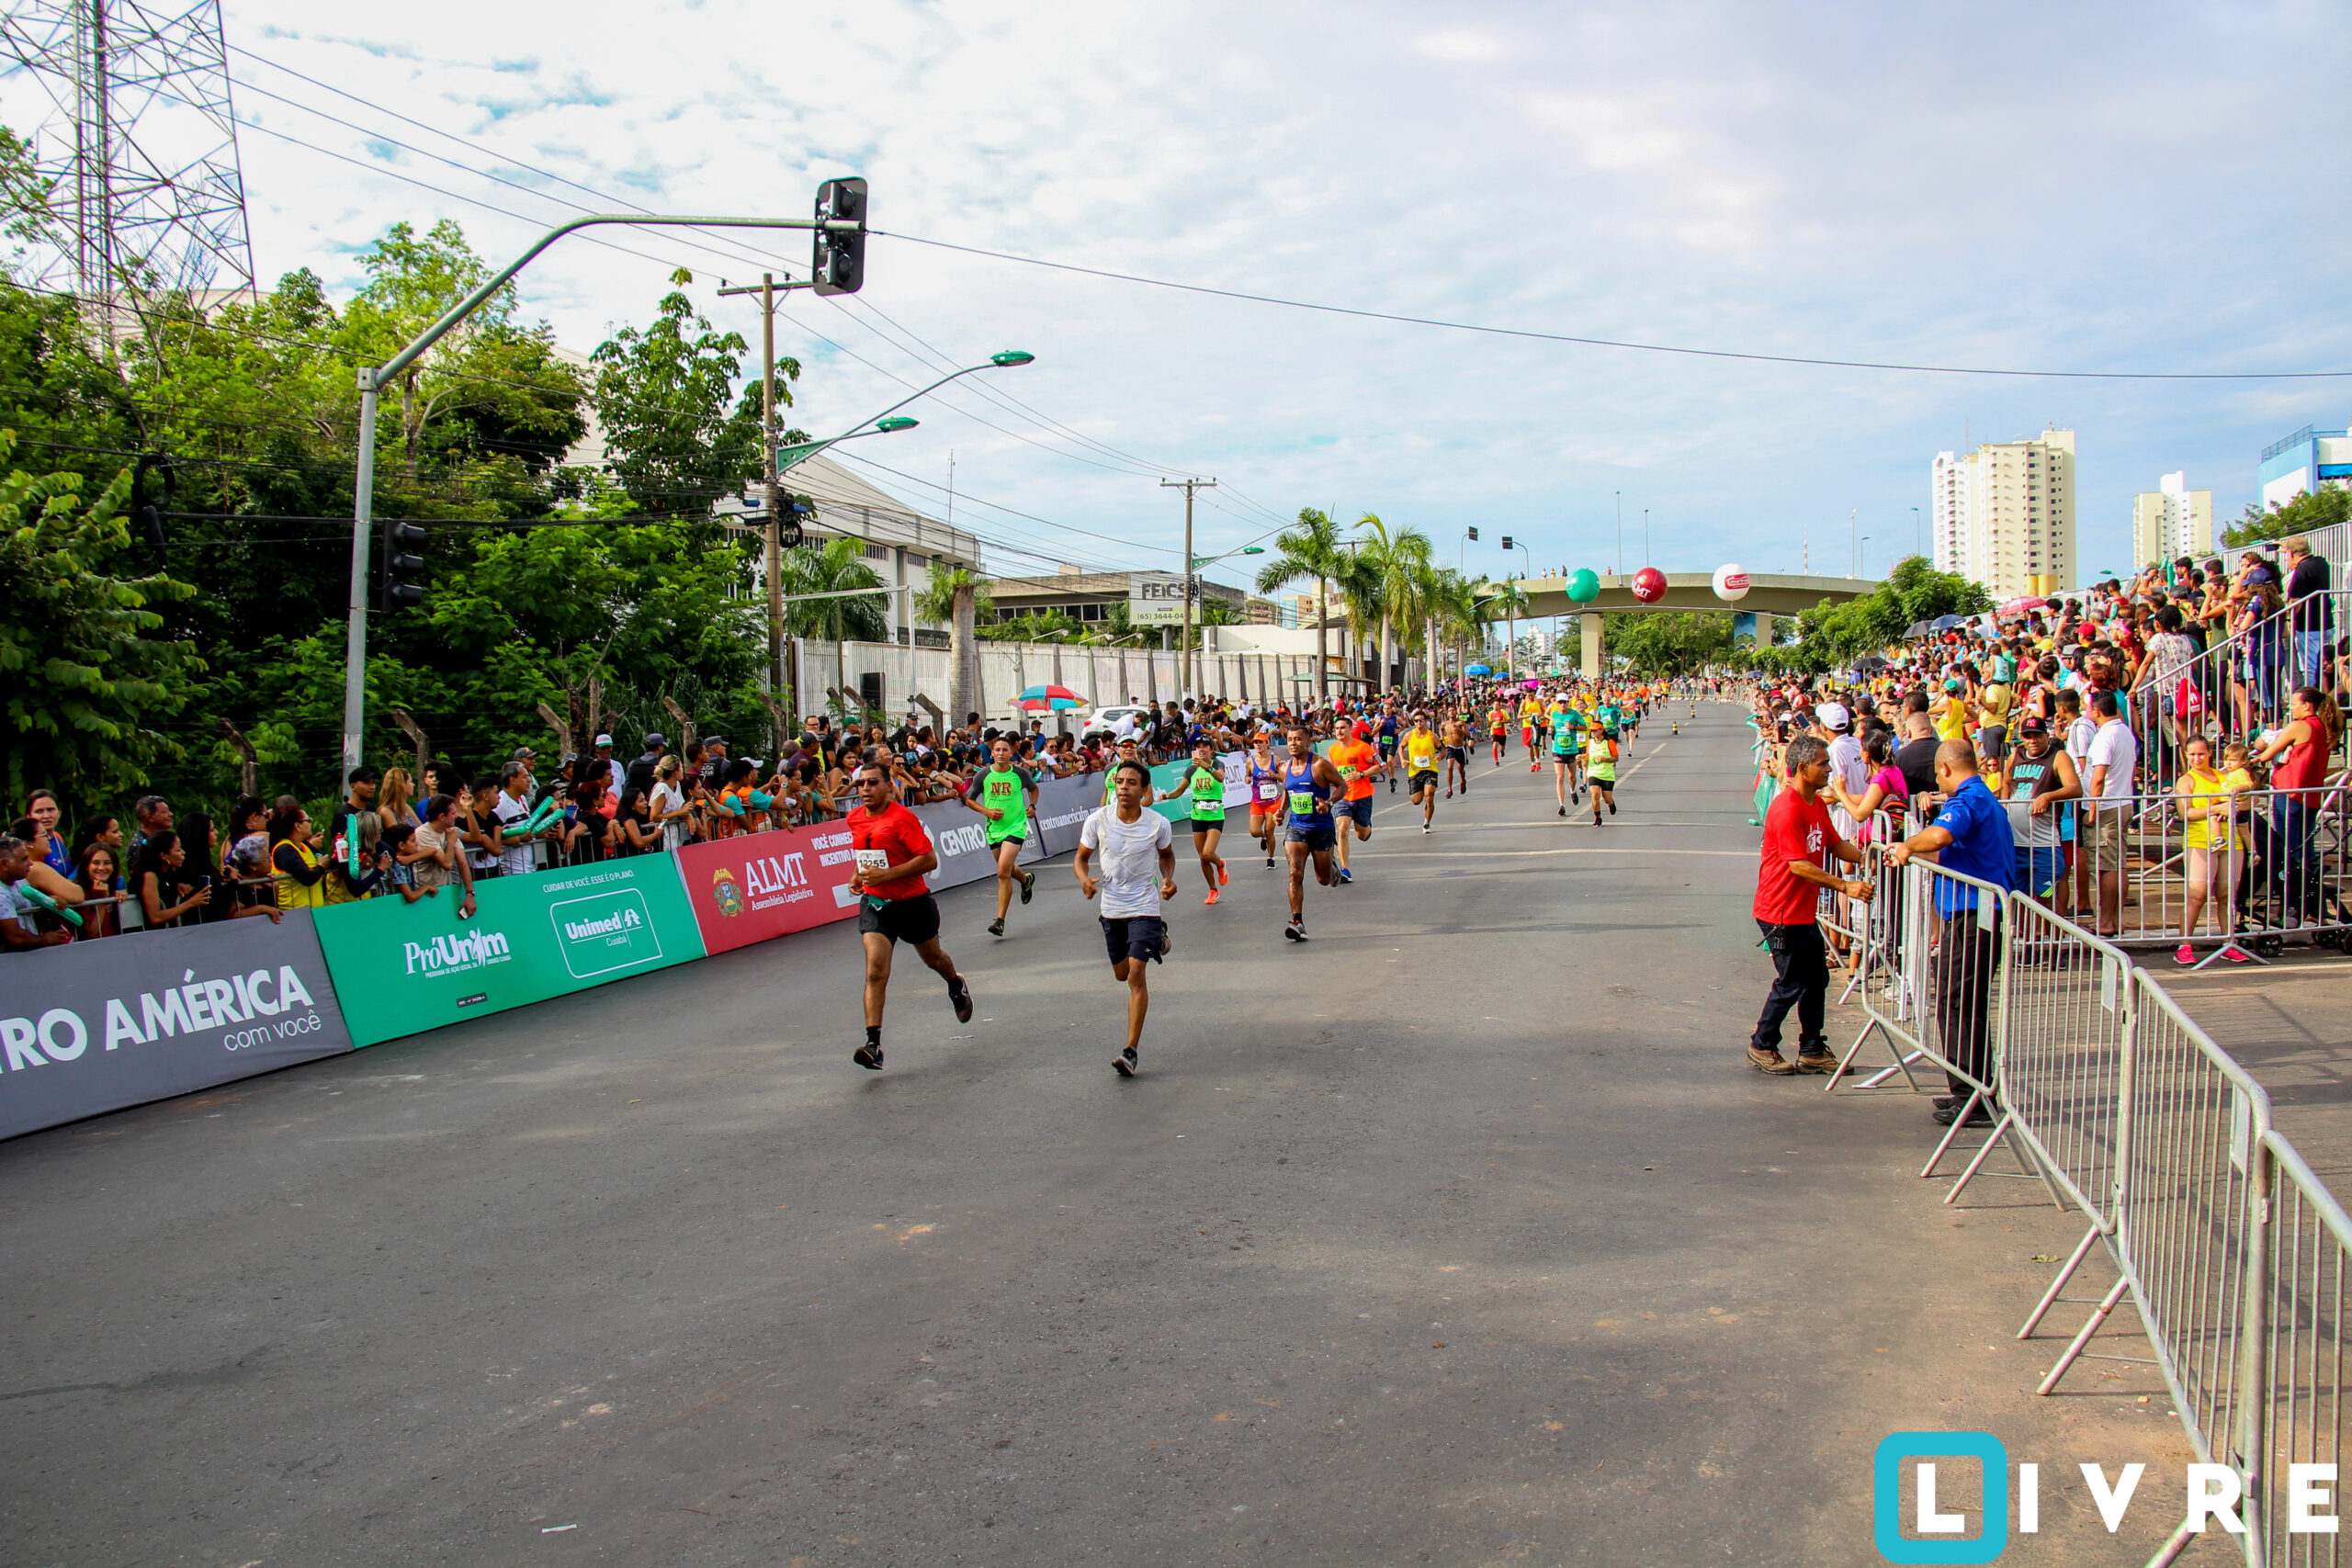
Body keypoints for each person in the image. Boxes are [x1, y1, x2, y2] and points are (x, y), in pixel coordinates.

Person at [1887, 740, 2016, 1126]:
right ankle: (1972, 1089)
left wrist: (1909, 845)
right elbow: (1952, 851)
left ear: (1944, 769)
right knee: (1964, 1003)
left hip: (1976, 915)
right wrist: (1911, 848)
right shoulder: (1983, 798)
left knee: (1958, 1002)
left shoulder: (1968, 800)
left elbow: (1941, 837)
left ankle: (1972, 1097)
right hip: (1979, 913)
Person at [1747, 736, 1871, 1076]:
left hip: (1802, 912)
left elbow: (1834, 843)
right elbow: (1798, 865)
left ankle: (1813, 1048)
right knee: (1792, 982)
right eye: (1823, 764)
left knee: (1816, 980)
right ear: (1803, 768)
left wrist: (1869, 857)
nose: (1830, 769)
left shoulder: (1815, 803)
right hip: (1780, 912)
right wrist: (1845, 885)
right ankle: (1762, 1044)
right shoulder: (1787, 809)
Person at [846, 761, 974, 1070]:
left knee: (933, 958)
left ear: (889, 786)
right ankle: (874, 1045)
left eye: (872, 782)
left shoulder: (902, 818)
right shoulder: (854, 817)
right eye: (861, 783)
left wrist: (888, 874)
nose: (865, 788)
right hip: (876, 904)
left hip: (913, 903)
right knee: (876, 971)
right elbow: (866, 852)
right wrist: (858, 875)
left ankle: (955, 984)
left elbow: (929, 860)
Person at [1075, 758, 1179, 1077]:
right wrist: (1083, 879)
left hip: (1144, 906)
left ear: (1144, 789)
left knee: (1135, 975)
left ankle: (1130, 1050)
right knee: (1121, 974)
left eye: (1132, 783)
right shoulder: (1098, 820)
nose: (1123, 788)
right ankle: (1156, 939)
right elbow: (1081, 858)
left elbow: (1167, 856)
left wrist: (1168, 879)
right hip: (1112, 909)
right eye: (1119, 782)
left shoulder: (1157, 823)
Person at [2252, 685, 2344, 928]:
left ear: (2307, 705)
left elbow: (2265, 754)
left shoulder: (2299, 726)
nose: (2291, 708)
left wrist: (2260, 744)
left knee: (2289, 854)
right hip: (2309, 797)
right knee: (2306, 853)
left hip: (2289, 793)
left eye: (2294, 703)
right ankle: (2316, 908)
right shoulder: (2323, 727)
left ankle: (2292, 908)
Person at [2174, 736, 2252, 964]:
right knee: (2197, 894)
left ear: (2209, 753)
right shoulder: (2186, 780)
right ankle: (2184, 945)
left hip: (2231, 838)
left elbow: (2247, 801)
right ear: (2186, 755)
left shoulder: (2224, 776)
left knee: (2227, 895)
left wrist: (2233, 805)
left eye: (2201, 753)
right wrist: (2216, 808)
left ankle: (2229, 943)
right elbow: (2185, 813)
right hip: (2200, 839)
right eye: (2192, 754)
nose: (2197, 758)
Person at [962, 736, 1041, 936]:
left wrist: (1032, 806)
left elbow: (1034, 789)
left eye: (1005, 750)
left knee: (1002, 872)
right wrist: (987, 812)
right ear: (992, 753)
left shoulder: (1020, 773)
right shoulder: (984, 775)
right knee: (1006, 868)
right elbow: (969, 800)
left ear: (1011, 753)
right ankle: (1025, 880)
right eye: (997, 750)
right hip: (994, 829)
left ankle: (1000, 921)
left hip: (1016, 827)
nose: (1001, 753)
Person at [1996, 715, 2079, 902]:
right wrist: (2005, 807)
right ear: (2022, 738)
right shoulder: (2015, 756)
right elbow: (2006, 782)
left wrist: (2047, 796)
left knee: (2046, 899)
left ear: (2046, 736)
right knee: (2016, 898)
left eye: (2038, 735)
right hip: (2016, 844)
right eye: (2028, 736)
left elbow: (2075, 788)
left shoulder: (2058, 756)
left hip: (2044, 844)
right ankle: (2023, 924)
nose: (2033, 740)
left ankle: (2052, 923)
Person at [1278, 727, 1347, 942]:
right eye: (1290, 739)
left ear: (1308, 742)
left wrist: (1329, 803)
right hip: (1296, 827)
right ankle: (1297, 922)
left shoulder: (1319, 765)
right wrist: (1281, 811)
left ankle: (1333, 870)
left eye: (1298, 739)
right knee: (1294, 873)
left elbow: (1341, 785)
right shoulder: (1284, 768)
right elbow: (1288, 791)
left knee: (1323, 879)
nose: (1293, 743)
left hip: (1321, 828)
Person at [2082, 689, 2139, 937]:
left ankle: (2106, 922)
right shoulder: (2125, 732)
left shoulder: (2106, 735)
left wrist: (2092, 809)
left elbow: (2099, 777)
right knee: (2118, 864)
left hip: (2106, 806)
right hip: (2121, 802)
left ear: (2096, 710)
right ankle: (2113, 920)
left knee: (2107, 866)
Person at [1159, 738, 1234, 901]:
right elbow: (1180, 790)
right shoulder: (1192, 769)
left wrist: (1206, 766)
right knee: (1202, 857)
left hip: (1215, 815)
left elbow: (1220, 778)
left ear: (1211, 749)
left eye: (1204, 746)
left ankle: (1220, 864)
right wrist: (1167, 796)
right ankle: (1213, 890)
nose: (1201, 749)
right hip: (1198, 815)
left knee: (1208, 853)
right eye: (1198, 746)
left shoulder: (1217, 764)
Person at [1324, 723, 1382, 885]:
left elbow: (1381, 765)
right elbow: (1332, 772)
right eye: (1336, 728)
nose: (1339, 731)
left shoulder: (1362, 748)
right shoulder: (1333, 750)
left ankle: (1366, 825)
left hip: (1362, 796)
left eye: (1343, 728)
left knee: (1362, 835)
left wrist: (1361, 774)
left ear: (1350, 729)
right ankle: (1345, 869)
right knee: (1342, 829)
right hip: (1343, 796)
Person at [0, 836, 74, 950]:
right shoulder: (1, 894)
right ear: (4, 864)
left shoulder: (20, 882)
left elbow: (35, 911)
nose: (30, 863)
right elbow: (15, 937)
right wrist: (43, 940)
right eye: (24, 859)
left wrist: (51, 901)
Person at [269, 804, 330, 911]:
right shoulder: (284, 850)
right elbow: (307, 877)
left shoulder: (304, 845)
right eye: (308, 820)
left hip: (315, 912)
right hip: (295, 914)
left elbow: (328, 860)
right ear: (297, 826)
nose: (311, 824)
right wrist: (321, 866)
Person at [1247, 731, 1285, 868]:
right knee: (1254, 831)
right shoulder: (1250, 762)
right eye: (1255, 743)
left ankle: (1270, 858)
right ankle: (1263, 837)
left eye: (1260, 742)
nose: (1258, 745)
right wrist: (1247, 779)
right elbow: (1247, 776)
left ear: (1267, 744)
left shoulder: (1276, 760)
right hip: (1257, 802)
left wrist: (1274, 775)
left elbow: (1283, 779)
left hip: (1273, 802)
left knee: (1270, 831)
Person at [1401, 714, 1442, 834]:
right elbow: (1401, 746)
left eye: (1421, 720)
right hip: (1415, 771)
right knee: (1416, 801)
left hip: (1430, 770)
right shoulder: (1409, 735)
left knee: (1429, 795)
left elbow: (1442, 749)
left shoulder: (1432, 736)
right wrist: (1402, 759)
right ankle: (1424, 793)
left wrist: (1440, 756)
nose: (1419, 723)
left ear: (1426, 721)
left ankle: (1427, 822)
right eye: (1416, 721)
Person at [1548, 696, 1585, 816]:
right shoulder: (1554, 714)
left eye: (1564, 702)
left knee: (1572, 777)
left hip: (1571, 749)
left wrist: (1573, 727)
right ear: (1557, 703)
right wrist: (1551, 729)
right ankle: (1561, 805)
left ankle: (1573, 791)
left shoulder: (1574, 714)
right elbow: (1552, 726)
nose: (1562, 704)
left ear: (1568, 703)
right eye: (1560, 702)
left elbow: (1585, 727)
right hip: (1558, 749)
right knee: (1560, 777)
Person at [1586, 722, 1620, 824]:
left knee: (1606, 798)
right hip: (1593, 773)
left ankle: (1611, 804)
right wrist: (1581, 757)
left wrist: (1605, 759)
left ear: (1601, 730)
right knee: (1595, 794)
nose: (1592, 732)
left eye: (1595, 730)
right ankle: (1598, 817)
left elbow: (1616, 758)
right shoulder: (1589, 742)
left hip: (1607, 774)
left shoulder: (1609, 742)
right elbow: (1587, 755)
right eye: (1591, 730)